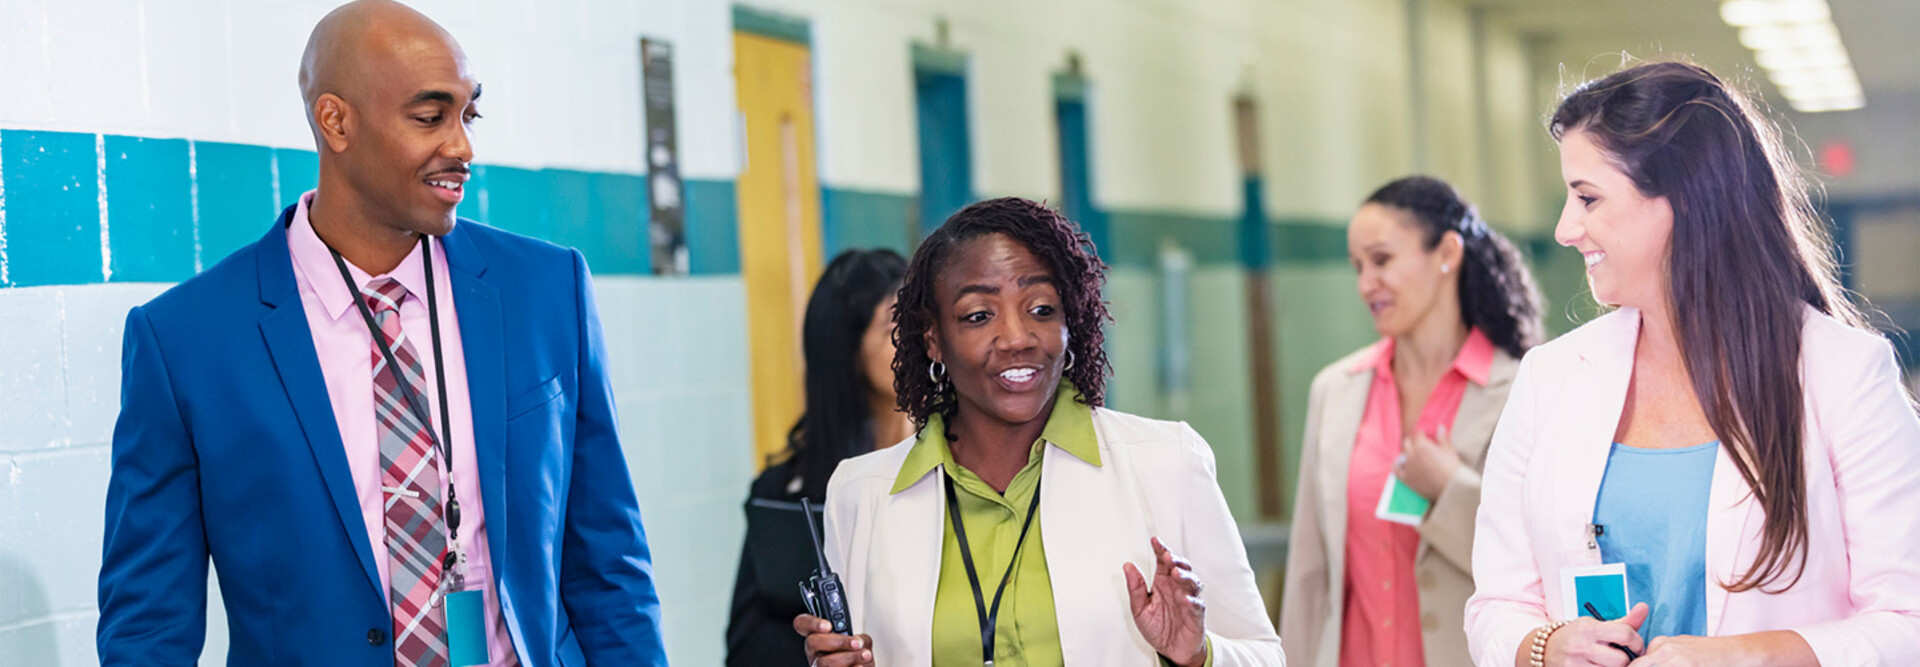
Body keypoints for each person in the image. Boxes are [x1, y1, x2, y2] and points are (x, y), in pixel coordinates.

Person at [95, 2, 667, 664]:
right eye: (429, 117)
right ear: (335, 121)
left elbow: (611, 569)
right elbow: (148, 627)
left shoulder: (546, 290)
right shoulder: (186, 341)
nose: (461, 147)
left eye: (467, 115)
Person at [1465, 61, 1920, 667]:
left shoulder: (1844, 374)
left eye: (1588, 198)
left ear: (1682, 198)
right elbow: (1496, 602)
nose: (1566, 229)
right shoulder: (1551, 376)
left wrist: (1742, 657)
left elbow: (1906, 621)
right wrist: (1545, 646)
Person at [792, 197, 1286, 666]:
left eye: (1042, 309)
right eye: (978, 315)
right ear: (934, 339)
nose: (1017, 338)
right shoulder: (862, 495)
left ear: (1072, 322)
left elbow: (1266, 654)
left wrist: (1197, 655)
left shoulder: (1165, 462)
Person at [1281, 176, 1544, 667]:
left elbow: (1540, 571)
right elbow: (1309, 575)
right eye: (1358, 266)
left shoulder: (1525, 389)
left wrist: (1453, 488)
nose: (1366, 284)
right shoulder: (1335, 391)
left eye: (1381, 260)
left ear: (1447, 252)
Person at [727, 248, 912, 666]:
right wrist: (822, 649)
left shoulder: (957, 464)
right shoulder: (786, 492)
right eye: (893, 328)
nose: (916, 342)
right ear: (847, 353)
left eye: (920, 322)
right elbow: (745, 651)